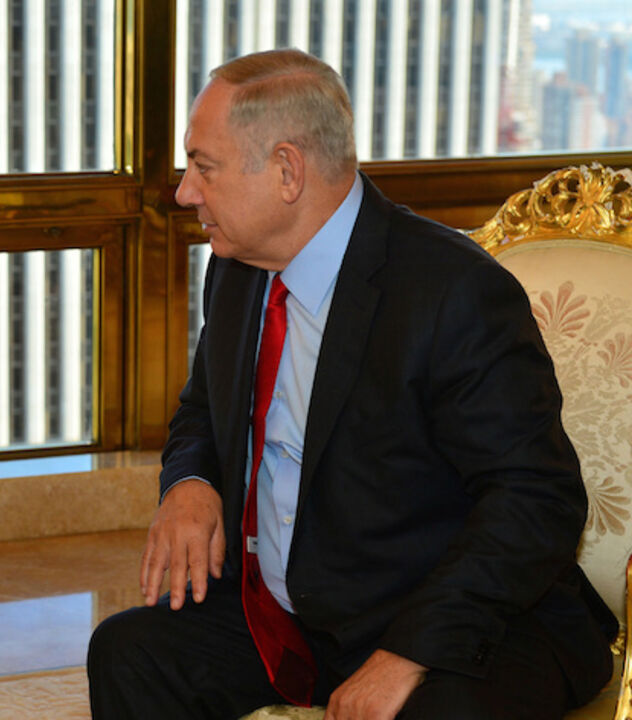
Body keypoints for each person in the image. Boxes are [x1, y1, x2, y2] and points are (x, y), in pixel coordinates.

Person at [87, 49, 615, 720]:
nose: (185, 192)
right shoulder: (239, 268)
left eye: (203, 166)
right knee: (130, 653)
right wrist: (190, 484)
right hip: (298, 613)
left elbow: (536, 499)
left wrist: (408, 653)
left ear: (286, 170)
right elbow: (201, 409)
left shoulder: (452, 293)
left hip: (457, 618)